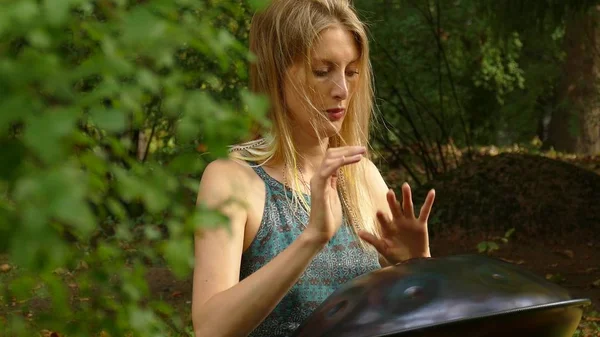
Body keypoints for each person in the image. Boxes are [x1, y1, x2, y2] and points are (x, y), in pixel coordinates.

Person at [191, 0, 436, 336]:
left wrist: (417, 264)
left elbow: (420, 317)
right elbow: (210, 328)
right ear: (276, 74)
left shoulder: (360, 175)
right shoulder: (233, 180)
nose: (342, 91)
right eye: (322, 71)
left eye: (351, 72)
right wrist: (312, 237)